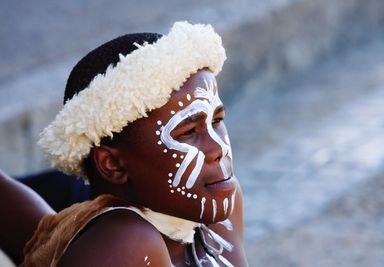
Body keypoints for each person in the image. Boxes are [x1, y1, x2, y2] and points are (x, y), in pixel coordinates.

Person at [11, 21, 248, 266]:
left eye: (217, 119)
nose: (218, 149)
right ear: (113, 164)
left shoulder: (217, 208)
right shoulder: (127, 243)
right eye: (187, 132)